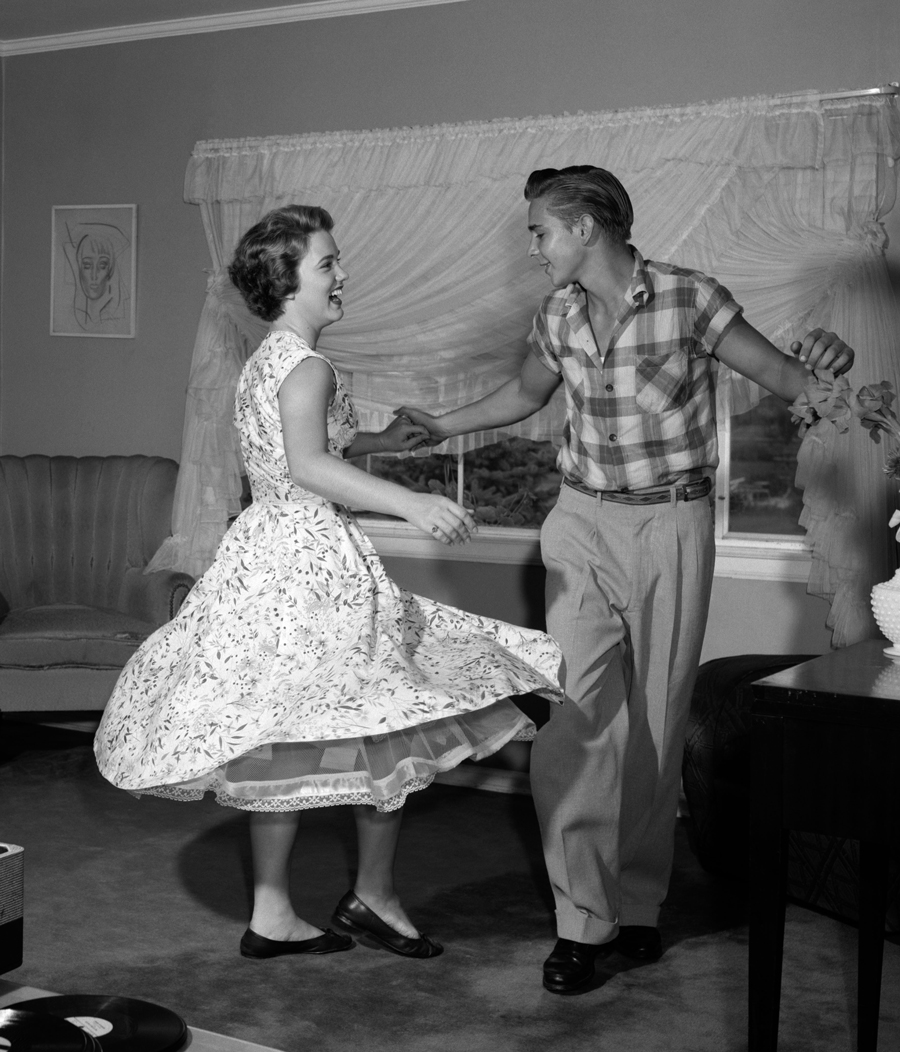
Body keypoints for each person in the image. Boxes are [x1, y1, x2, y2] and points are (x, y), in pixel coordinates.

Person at [397, 166, 855, 994]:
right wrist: (440, 425)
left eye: (540, 230)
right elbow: (522, 396)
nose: (533, 247)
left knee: (655, 719)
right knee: (573, 717)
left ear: (586, 228)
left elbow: (793, 381)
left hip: (671, 525)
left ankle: (637, 906)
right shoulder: (557, 315)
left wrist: (827, 356)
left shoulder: (691, 299)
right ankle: (581, 919)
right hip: (579, 523)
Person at [94, 204, 562, 963]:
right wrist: (413, 501)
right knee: (378, 721)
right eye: (327, 265)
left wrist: (380, 442)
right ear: (287, 282)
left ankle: (273, 911)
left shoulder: (269, 361)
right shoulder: (308, 365)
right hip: (311, 563)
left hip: (268, 557)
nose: (342, 275)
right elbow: (308, 465)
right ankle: (372, 897)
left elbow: (296, 447)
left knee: (282, 729)